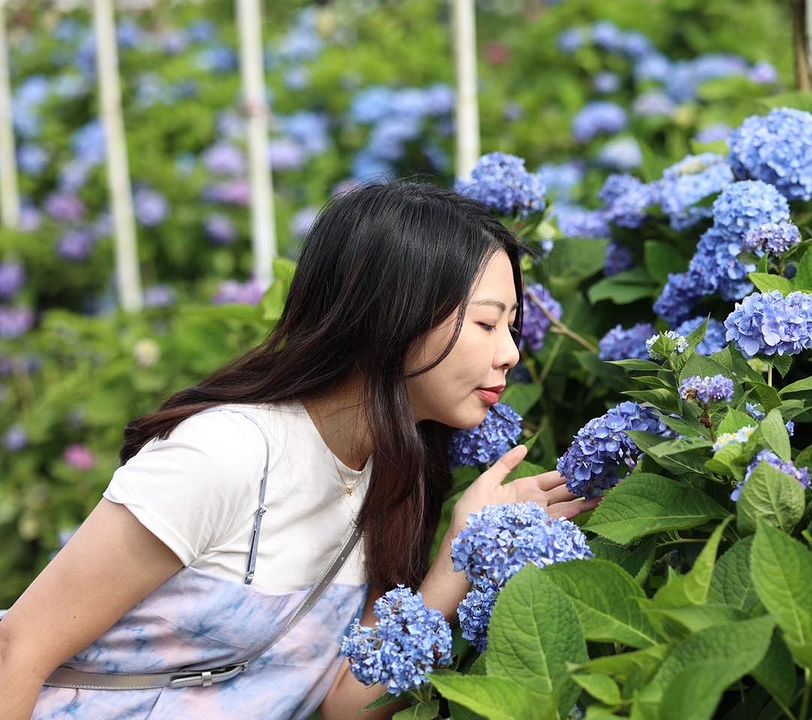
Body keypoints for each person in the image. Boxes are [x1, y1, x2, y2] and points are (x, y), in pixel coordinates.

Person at [0, 181, 597, 719]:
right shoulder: (225, 454)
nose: (511, 355)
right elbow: (18, 649)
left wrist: (461, 555)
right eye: (488, 324)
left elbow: (344, 704)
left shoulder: (392, 477)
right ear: (395, 314)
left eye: (513, 327)